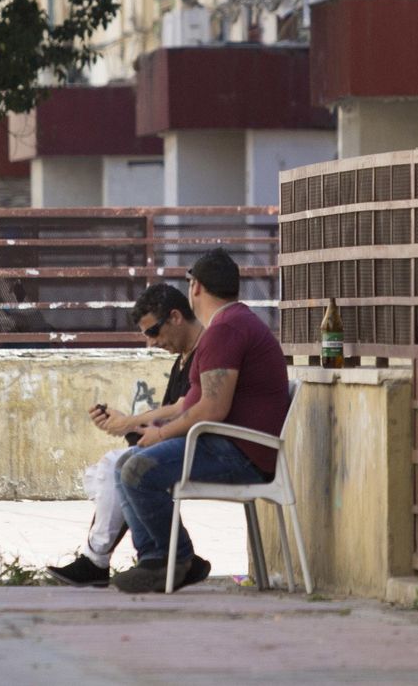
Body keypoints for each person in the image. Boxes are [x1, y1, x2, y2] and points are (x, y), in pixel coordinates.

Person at [108, 249, 292, 593]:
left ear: (195, 287)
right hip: (232, 446)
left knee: (138, 470)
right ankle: (158, 561)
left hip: (242, 454)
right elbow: (188, 404)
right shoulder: (227, 326)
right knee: (124, 466)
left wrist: (161, 435)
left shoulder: (227, 329)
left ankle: (172, 559)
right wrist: (139, 423)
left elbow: (211, 409)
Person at [46, 284, 210, 588]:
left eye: (154, 332)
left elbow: (189, 411)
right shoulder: (182, 359)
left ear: (175, 317)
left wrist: (132, 423)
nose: (152, 343)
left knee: (121, 467)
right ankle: (108, 559)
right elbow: (171, 419)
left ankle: (163, 556)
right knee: (117, 464)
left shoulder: (207, 352)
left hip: (208, 449)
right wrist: (129, 426)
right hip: (183, 443)